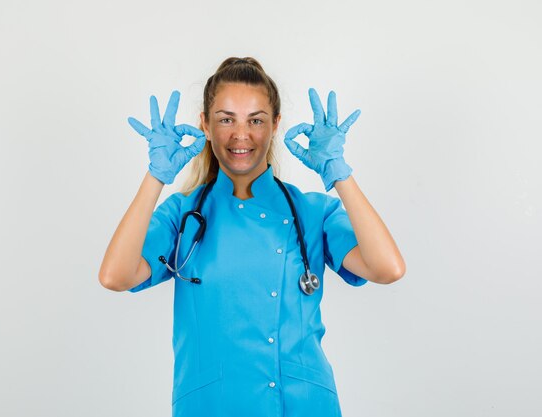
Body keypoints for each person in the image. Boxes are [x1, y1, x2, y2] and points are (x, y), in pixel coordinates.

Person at [98, 57, 406, 417]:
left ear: (275, 124)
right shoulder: (183, 214)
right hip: (212, 407)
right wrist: (156, 177)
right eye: (226, 119)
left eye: (255, 120)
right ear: (205, 125)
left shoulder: (311, 210)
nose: (240, 135)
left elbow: (388, 268)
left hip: (303, 407)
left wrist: (340, 175)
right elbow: (115, 276)